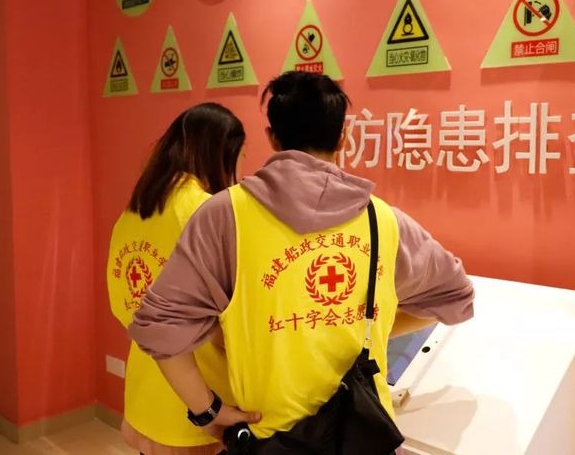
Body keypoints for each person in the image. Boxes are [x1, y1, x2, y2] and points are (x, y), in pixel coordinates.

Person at [128, 71, 474, 449]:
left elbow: (159, 326)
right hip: (365, 435)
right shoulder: (383, 220)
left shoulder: (224, 216)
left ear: (272, 137)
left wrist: (207, 411)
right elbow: (457, 298)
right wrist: (368, 324)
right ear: (343, 136)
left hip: (271, 439)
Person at [106, 102, 246, 455]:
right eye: (236, 157)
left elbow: (123, 303)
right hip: (200, 391)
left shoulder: (135, 210)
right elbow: (234, 310)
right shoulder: (206, 211)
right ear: (219, 154)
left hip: (146, 384)